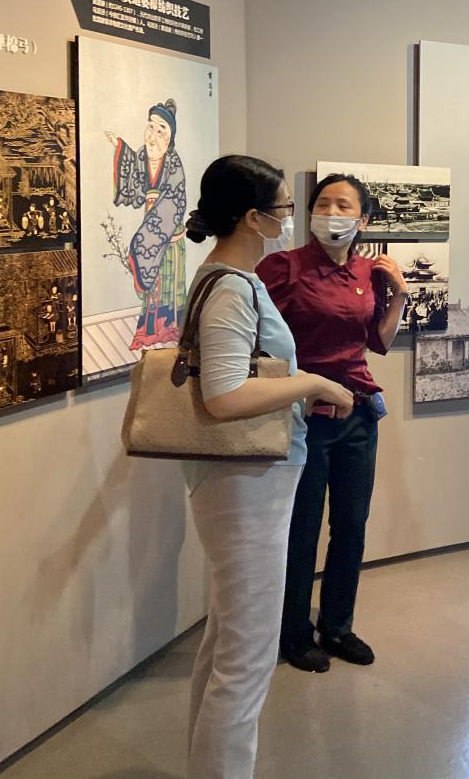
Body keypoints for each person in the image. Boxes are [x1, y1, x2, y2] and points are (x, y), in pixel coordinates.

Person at [180, 155, 353, 779]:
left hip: (247, 483)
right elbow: (224, 396)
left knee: (227, 639)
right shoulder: (231, 286)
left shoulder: (228, 279)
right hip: (245, 487)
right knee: (247, 656)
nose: (291, 218)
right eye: (283, 208)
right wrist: (314, 383)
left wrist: (296, 389)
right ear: (253, 218)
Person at [259, 173, 407, 674]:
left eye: (344, 205)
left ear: (363, 219)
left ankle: (338, 626)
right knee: (301, 528)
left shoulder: (370, 271)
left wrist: (399, 296)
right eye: (323, 203)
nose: (331, 213)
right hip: (305, 417)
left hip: (359, 414)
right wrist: (295, 388)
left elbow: (377, 342)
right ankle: (294, 633)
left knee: (351, 524)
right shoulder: (283, 267)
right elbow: (259, 342)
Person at [105, 99, 189, 351]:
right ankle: (148, 331)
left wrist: (148, 239)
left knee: (170, 285)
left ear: (170, 138)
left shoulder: (174, 165)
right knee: (152, 286)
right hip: (149, 227)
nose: (153, 136)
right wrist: (120, 147)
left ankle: (170, 330)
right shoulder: (142, 156)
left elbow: (174, 203)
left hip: (169, 237)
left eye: (161, 130)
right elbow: (131, 178)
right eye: (150, 127)